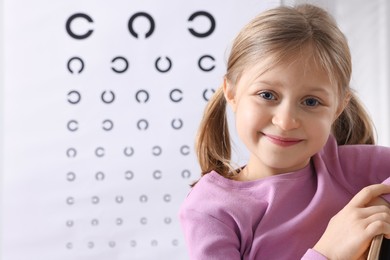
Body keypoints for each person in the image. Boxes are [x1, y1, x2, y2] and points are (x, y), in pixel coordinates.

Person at [179, 3, 390, 260]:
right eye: (267, 95)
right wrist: (327, 253)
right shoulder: (210, 211)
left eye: (311, 102)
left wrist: (381, 206)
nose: (286, 121)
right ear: (231, 92)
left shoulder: (343, 167)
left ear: (337, 108)